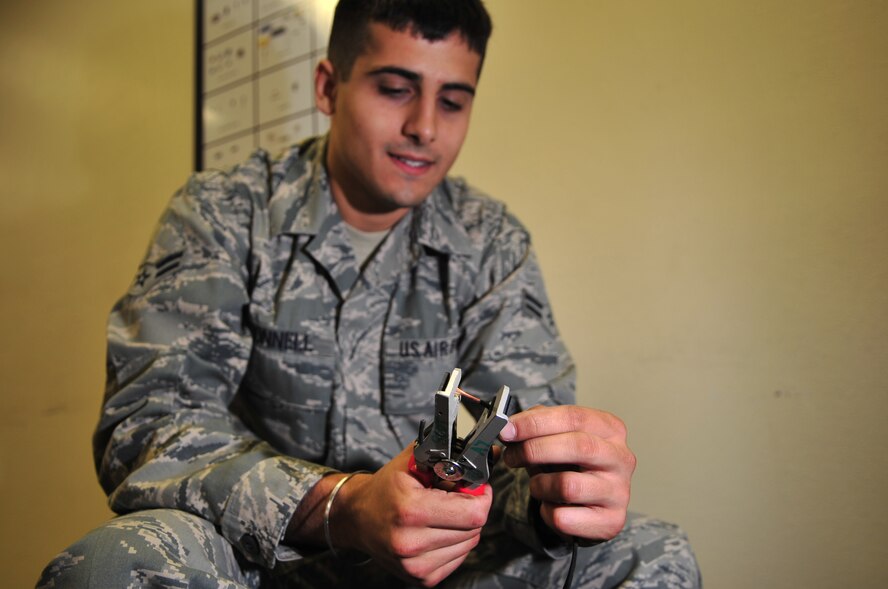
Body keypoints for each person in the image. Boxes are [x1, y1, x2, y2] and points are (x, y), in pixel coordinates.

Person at [38, 1, 701, 587]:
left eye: (453, 99)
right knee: (114, 566)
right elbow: (148, 428)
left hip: (447, 566)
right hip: (264, 563)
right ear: (329, 87)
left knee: (650, 551)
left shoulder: (491, 243)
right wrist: (343, 504)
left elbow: (513, 452)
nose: (424, 127)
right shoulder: (223, 214)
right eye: (394, 88)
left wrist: (563, 491)